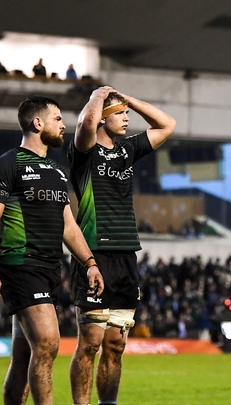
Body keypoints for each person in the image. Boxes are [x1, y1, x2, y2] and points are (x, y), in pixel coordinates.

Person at [0, 96, 105, 405]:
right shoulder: (6, 165)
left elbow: (68, 225)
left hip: (49, 269)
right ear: (38, 123)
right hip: (20, 265)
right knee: (47, 344)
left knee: (24, 356)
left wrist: (89, 262)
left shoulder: (56, 171)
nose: (63, 125)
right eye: (57, 119)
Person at [68, 86, 176, 405]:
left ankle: (108, 404)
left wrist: (129, 101)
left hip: (126, 253)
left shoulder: (126, 149)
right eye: (120, 114)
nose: (127, 118)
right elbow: (86, 123)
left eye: (127, 114)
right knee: (90, 342)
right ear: (103, 118)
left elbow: (166, 125)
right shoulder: (84, 152)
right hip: (93, 253)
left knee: (116, 343)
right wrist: (99, 96)